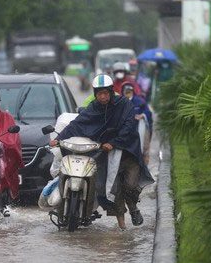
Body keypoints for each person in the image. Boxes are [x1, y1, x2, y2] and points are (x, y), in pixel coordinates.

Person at [49, 74, 154, 229]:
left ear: (111, 92)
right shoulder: (93, 108)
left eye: (106, 93)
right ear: (95, 94)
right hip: (105, 154)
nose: (103, 97)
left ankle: (133, 208)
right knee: (111, 190)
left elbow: (128, 127)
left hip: (127, 152)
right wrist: (59, 138)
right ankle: (122, 229)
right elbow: (77, 124)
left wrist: (113, 142)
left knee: (130, 186)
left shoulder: (124, 104)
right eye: (99, 94)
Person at [121, 82, 153, 165]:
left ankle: (144, 164)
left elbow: (148, 112)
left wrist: (142, 115)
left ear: (133, 91)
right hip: (125, 131)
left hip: (139, 129)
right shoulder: (120, 102)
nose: (128, 93)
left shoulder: (140, 101)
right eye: (126, 91)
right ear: (123, 92)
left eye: (130, 91)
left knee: (143, 148)